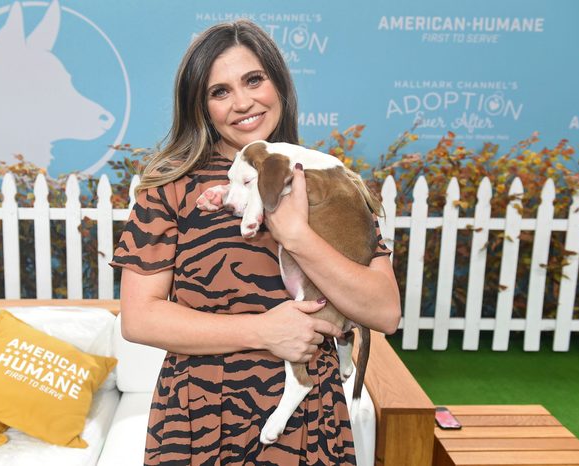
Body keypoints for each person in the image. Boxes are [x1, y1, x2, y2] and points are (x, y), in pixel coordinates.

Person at [110, 19, 401, 465]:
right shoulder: (169, 188)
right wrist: (263, 332)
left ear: (279, 84)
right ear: (201, 106)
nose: (243, 102)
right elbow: (139, 318)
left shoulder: (330, 179)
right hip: (199, 414)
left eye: (254, 80)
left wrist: (298, 237)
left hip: (307, 415)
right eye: (219, 91)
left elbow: (384, 312)